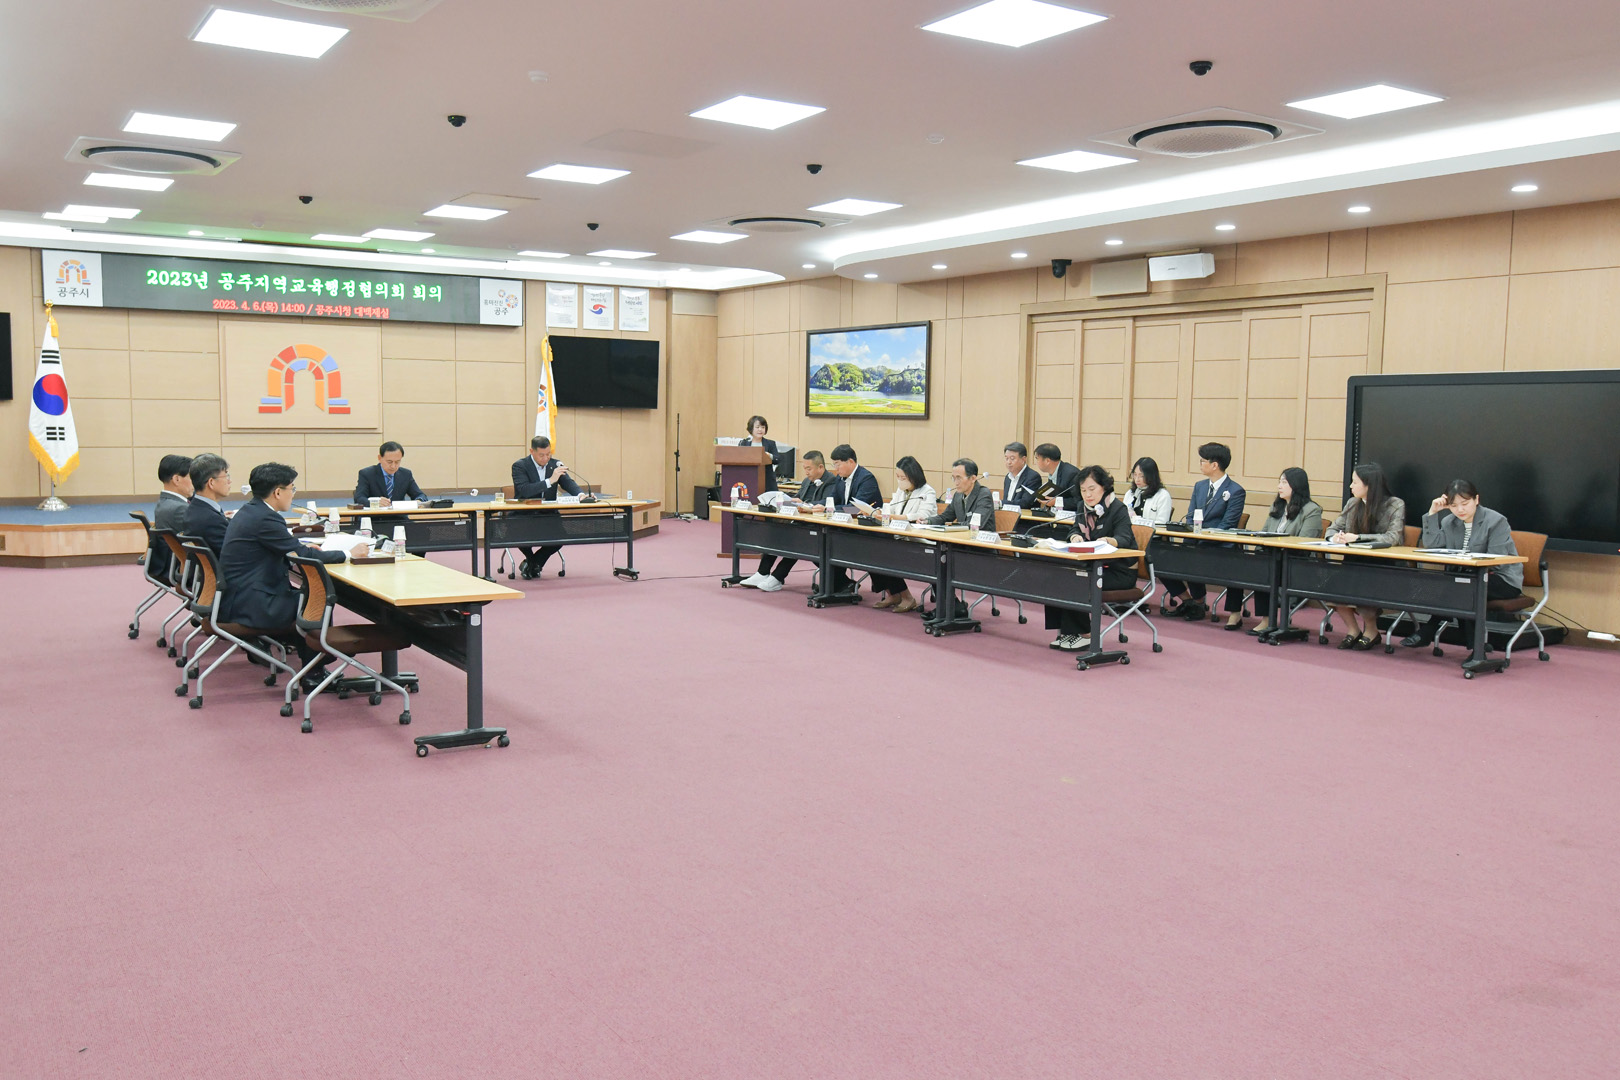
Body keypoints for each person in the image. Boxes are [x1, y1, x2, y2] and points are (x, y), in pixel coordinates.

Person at [218, 463, 365, 685]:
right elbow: (303, 555)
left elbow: (286, 548)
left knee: (304, 597)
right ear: (278, 492)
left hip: (239, 596)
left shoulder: (250, 511)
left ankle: (311, 664)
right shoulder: (265, 518)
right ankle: (314, 673)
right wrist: (349, 553)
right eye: (292, 488)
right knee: (316, 601)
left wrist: (300, 549)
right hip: (250, 603)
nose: (293, 494)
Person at [1401, 479, 1522, 653]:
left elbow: (1497, 560)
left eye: (1465, 504)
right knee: (1462, 589)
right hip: (1465, 581)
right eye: (1454, 505)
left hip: (1501, 579)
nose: (1460, 510)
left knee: (1463, 589)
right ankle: (1477, 649)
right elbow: (1431, 544)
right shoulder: (1449, 522)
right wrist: (1432, 513)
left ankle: (1428, 630)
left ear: (1476, 499)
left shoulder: (1496, 521)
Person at [1044, 465, 1138, 652]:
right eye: (1083, 490)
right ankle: (1067, 632)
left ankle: (1086, 635)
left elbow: (1125, 538)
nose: (1088, 495)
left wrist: (1108, 541)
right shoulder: (1082, 508)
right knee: (1057, 577)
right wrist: (1074, 536)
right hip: (1093, 566)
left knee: (1076, 582)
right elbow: (1075, 529)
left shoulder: (1118, 508)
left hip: (1120, 571)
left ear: (1104, 487)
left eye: (1092, 489)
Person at [1325, 462, 1407, 650]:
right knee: (1333, 586)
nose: (1350, 486)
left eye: (1355, 482)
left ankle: (1371, 631)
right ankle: (1353, 630)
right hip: (1353, 562)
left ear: (1369, 485)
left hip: (1383, 566)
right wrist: (1334, 537)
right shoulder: (1352, 503)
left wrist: (1358, 538)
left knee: (1364, 585)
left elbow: (1393, 537)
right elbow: (1332, 528)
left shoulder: (1395, 504)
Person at [1161, 443, 1247, 620]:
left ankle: (1202, 604)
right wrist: (1192, 531)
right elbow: (1191, 516)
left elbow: (1227, 524)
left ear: (1214, 465)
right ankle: (1191, 601)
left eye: (1202, 461)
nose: (1200, 464)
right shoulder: (1199, 486)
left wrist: (1203, 536)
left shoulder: (1235, 491)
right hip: (1196, 542)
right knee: (1161, 559)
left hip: (1218, 547)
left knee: (1198, 554)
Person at [1243, 467, 1324, 635]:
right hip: (1273, 558)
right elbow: (1263, 533)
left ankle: (1271, 621)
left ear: (1296, 485)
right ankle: (1266, 620)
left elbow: (1304, 543)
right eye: (1279, 482)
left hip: (1296, 563)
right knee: (1259, 565)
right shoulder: (1277, 506)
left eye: (1284, 482)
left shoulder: (1311, 510)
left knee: (1266, 569)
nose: (1279, 486)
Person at [742, 450, 834, 591]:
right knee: (777, 532)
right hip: (800, 522)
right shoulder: (806, 481)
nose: (806, 472)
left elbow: (825, 503)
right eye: (805, 468)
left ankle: (777, 577)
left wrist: (805, 505)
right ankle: (762, 572)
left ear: (820, 467)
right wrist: (792, 501)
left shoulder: (831, 481)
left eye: (809, 469)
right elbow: (798, 498)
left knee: (795, 540)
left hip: (817, 528)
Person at [869, 456, 938, 613]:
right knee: (872, 549)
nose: (900, 481)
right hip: (898, 536)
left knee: (884, 552)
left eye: (903, 478)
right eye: (898, 477)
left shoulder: (927, 491)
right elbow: (891, 508)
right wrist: (880, 512)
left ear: (913, 476)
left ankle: (907, 597)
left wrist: (894, 517)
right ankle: (893, 594)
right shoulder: (901, 491)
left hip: (917, 540)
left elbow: (922, 516)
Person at [510, 435, 581, 579]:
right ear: (532, 451)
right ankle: (533, 564)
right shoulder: (520, 466)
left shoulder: (555, 464)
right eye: (541, 455)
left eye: (548, 454)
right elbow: (525, 490)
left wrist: (581, 495)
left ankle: (533, 564)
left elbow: (568, 483)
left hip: (548, 514)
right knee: (519, 537)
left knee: (561, 537)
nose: (546, 458)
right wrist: (550, 481)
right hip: (525, 515)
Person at [823, 445, 882, 596]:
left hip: (869, 532)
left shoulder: (866, 478)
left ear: (850, 461)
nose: (836, 469)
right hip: (847, 528)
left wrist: (829, 509)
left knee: (832, 545)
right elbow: (832, 500)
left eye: (837, 464)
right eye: (834, 464)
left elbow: (856, 508)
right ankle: (840, 583)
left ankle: (839, 583)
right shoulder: (840, 478)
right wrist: (814, 505)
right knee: (821, 544)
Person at [149, 454, 194, 579]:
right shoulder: (180, 509)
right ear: (177, 479)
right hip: (183, 567)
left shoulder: (165, 503)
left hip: (170, 562)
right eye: (192, 477)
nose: (196, 482)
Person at [184, 453, 232, 556]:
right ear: (211, 482)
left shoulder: (194, 508)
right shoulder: (212, 520)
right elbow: (233, 554)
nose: (230, 481)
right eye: (226, 476)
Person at [927, 458, 996, 528]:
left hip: (979, 534)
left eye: (959, 478)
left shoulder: (984, 494)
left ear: (973, 478)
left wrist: (952, 526)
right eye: (954, 478)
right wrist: (928, 521)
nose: (956, 483)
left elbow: (975, 524)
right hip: (961, 534)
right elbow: (945, 517)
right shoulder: (958, 495)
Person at [353, 441, 424, 506]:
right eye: (389, 462)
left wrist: (419, 501)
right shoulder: (367, 474)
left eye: (397, 462)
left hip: (399, 515)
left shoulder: (406, 474)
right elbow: (359, 498)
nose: (393, 466)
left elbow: (421, 495)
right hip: (376, 514)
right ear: (379, 458)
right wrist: (375, 502)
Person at [1122, 457, 1173, 526]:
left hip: (1152, 532)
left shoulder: (1162, 495)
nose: (1137, 479)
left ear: (1151, 476)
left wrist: (1138, 520)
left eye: (1141, 476)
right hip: (1129, 531)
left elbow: (1162, 523)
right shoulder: (1130, 493)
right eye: (1135, 475)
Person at [737, 415, 779, 495]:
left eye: (763, 427)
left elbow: (777, 459)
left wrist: (768, 455)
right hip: (748, 480)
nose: (760, 430)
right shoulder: (744, 443)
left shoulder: (770, 443)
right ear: (751, 428)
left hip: (767, 481)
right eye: (757, 427)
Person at [1032, 444, 1081, 510]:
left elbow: (1079, 501)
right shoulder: (1052, 473)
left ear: (1047, 461)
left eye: (1037, 459)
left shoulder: (1071, 474)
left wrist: (1056, 502)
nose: (1036, 462)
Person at [1000, 442, 1043, 510]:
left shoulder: (1033, 477)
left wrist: (1001, 503)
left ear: (1023, 459)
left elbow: (1025, 503)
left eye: (1012, 458)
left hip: (1025, 516)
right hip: (1008, 514)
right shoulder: (1008, 477)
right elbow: (1007, 500)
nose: (1008, 462)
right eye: (1006, 458)